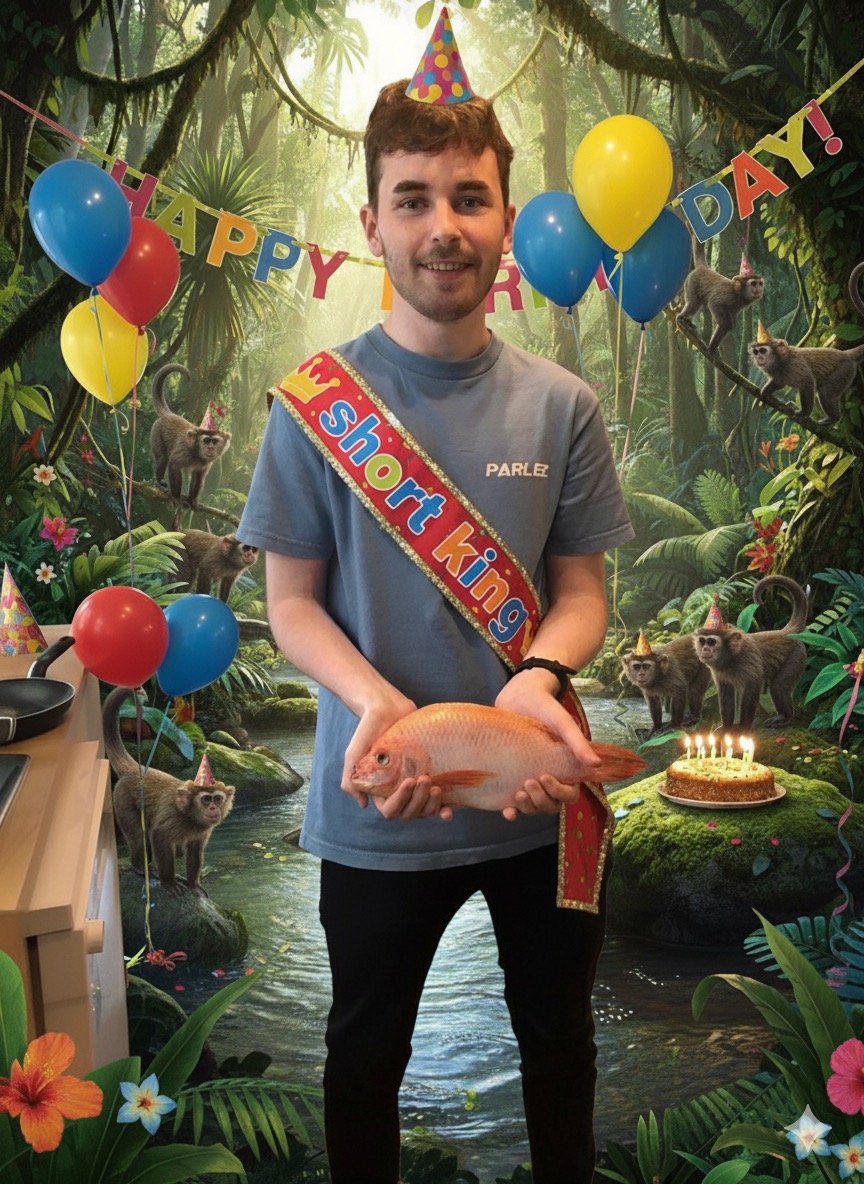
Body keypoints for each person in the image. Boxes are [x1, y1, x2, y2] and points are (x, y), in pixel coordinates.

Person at [238, 79, 634, 1184]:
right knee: (364, 1061)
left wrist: (540, 672)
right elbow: (290, 604)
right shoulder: (315, 404)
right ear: (372, 223)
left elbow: (582, 592)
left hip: (538, 795)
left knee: (561, 1049)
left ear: (506, 219)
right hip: (378, 798)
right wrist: (379, 706)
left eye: (469, 197)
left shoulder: (563, 405)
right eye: (412, 200)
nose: (442, 226)